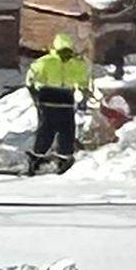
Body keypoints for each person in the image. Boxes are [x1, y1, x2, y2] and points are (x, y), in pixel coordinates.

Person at [25, 33, 93, 175]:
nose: (66, 55)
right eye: (63, 51)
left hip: (65, 100)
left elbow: (84, 80)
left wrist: (85, 94)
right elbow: (31, 77)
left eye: (68, 51)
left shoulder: (76, 64)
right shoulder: (45, 62)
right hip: (49, 99)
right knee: (47, 130)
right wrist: (34, 92)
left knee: (66, 130)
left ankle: (63, 157)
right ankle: (38, 157)